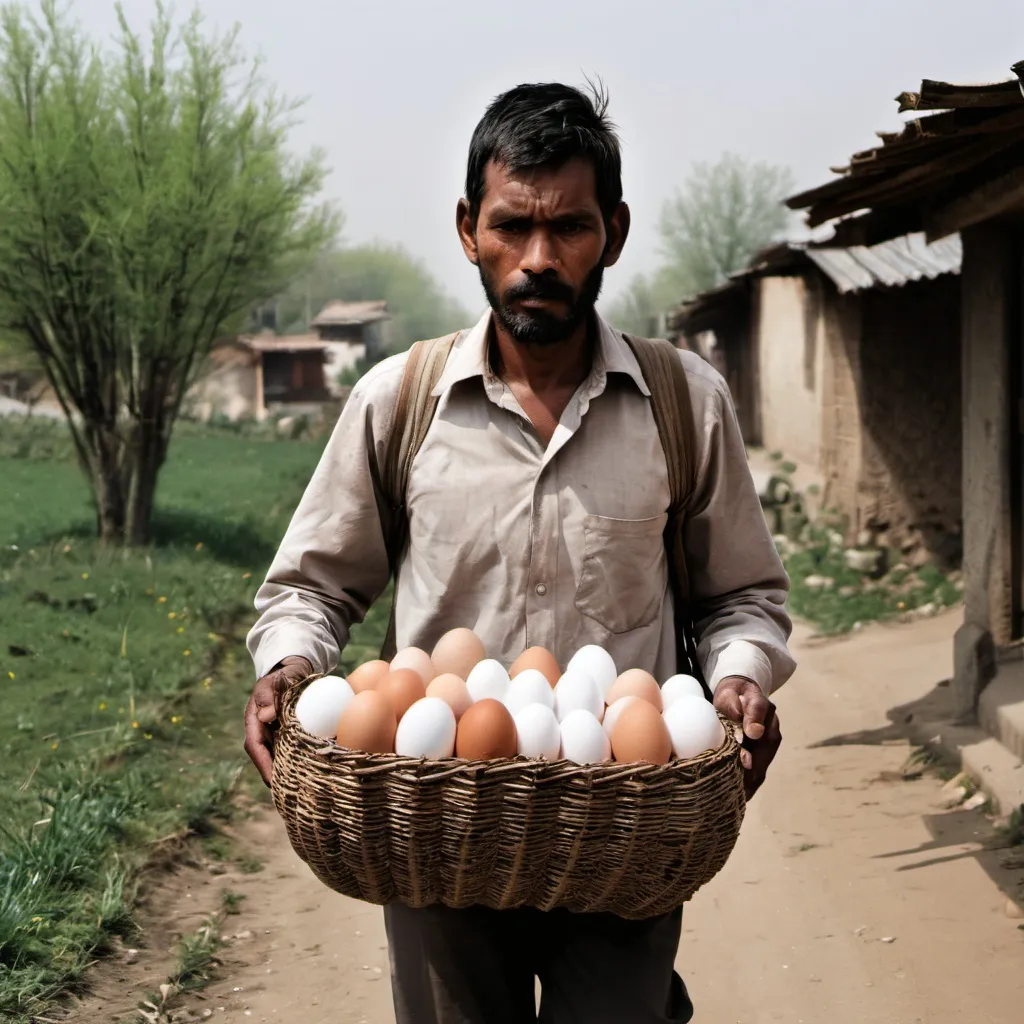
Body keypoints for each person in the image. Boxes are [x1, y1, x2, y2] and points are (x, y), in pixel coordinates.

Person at [243, 81, 795, 1024]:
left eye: (570, 228)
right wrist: (293, 661)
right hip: (431, 831)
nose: (538, 258)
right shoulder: (399, 400)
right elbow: (314, 584)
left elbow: (742, 594)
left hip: (622, 828)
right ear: (468, 228)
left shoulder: (681, 402)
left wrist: (740, 676)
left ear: (613, 233)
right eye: (511, 226)